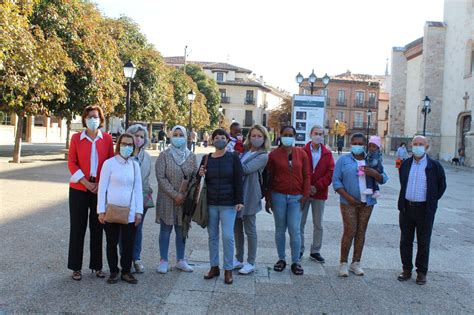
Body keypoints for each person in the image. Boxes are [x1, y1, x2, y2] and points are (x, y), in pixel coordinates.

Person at [67, 105, 114, 281]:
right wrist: (86, 183)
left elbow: (110, 164)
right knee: (77, 228)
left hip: (99, 189)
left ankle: (97, 266)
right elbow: (72, 162)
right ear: (84, 119)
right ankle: (75, 267)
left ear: (101, 119)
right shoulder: (76, 138)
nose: (92, 119)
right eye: (89, 116)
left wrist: (100, 185)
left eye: (95, 116)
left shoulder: (108, 139)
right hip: (79, 188)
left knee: (98, 227)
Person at [332, 133, 388, 277]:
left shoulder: (371, 158)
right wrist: (348, 197)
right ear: (351, 144)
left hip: (367, 203)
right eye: (354, 143)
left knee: (361, 231)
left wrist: (374, 173)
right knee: (349, 230)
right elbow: (336, 181)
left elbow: (383, 178)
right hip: (348, 203)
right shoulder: (344, 160)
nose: (357, 146)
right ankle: (343, 263)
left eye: (360, 143)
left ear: (365, 145)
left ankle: (356, 262)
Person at [397, 135, 446, 285]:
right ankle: (406, 269)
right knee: (405, 240)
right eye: (415, 144)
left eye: (421, 144)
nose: (418, 146)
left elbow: (441, 186)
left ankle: (421, 272)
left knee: (423, 242)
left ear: (426, 147)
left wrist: (431, 201)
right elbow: (402, 182)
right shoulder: (405, 164)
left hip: (425, 210)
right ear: (411, 146)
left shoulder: (434, 166)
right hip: (407, 208)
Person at [97, 133, 143, 284]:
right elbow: (102, 188)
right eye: (124, 144)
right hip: (111, 211)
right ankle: (113, 271)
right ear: (118, 145)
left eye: (130, 145)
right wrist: (101, 211)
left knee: (128, 243)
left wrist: (138, 212)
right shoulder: (109, 164)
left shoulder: (135, 166)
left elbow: (138, 190)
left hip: (129, 212)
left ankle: (126, 271)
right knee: (111, 243)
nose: (127, 147)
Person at [265, 125, 310, 276]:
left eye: (291, 134)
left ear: (295, 136)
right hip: (278, 196)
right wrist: (268, 197)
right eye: (285, 134)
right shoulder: (273, 155)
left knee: (294, 230)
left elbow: (307, 175)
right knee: (280, 229)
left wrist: (305, 195)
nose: (288, 137)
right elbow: (269, 177)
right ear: (280, 135)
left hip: (296, 197)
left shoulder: (302, 153)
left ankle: (296, 261)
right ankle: (281, 259)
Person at [201, 128, 244, 285]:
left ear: (227, 140)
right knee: (212, 237)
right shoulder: (206, 159)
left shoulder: (233, 158)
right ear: (212, 140)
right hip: (211, 203)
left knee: (227, 237)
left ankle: (228, 269)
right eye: (217, 137)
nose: (219, 139)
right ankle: (214, 267)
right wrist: (200, 174)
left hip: (228, 204)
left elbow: (239, 181)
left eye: (222, 137)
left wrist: (240, 200)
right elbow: (201, 180)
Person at [155, 125, 197, 274]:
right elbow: (160, 177)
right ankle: (163, 260)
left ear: (185, 137)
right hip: (167, 198)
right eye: (175, 134)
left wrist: (184, 195)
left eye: (181, 135)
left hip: (184, 200)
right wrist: (175, 194)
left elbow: (194, 177)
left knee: (181, 230)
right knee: (166, 229)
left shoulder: (191, 156)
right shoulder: (164, 155)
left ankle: (181, 260)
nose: (178, 137)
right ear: (171, 136)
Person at [233, 124, 270, 274]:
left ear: (264, 138)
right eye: (253, 136)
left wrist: (231, 162)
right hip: (237, 193)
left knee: (250, 229)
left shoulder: (263, 155)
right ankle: (238, 257)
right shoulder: (244, 152)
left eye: (259, 136)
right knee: (237, 228)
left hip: (250, 194)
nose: (256, 138)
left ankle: (251, 261)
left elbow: (245, 169)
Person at [300, 125, 334, 263]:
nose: (318, 136)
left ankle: (315, 251)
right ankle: (299, 249)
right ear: (310, 134)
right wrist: (307, 187)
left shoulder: (327, 153)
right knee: (299, 223)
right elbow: (299, 171)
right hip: (304, 193)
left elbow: (330, 173)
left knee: (318, 224)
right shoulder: (302, 152)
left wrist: (317, 186)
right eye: (316, 133)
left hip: (319, 194)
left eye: (321, 134)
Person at [126, 124, 153, 273]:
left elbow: (146, 177)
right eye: (136, 135)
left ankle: (136, 258)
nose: (139, 139)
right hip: (125, 197)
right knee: (124, 228)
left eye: (141, 136)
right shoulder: (125, 155)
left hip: (142, 197)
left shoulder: (147, 157)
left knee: (138, 228)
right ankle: (125, 259)